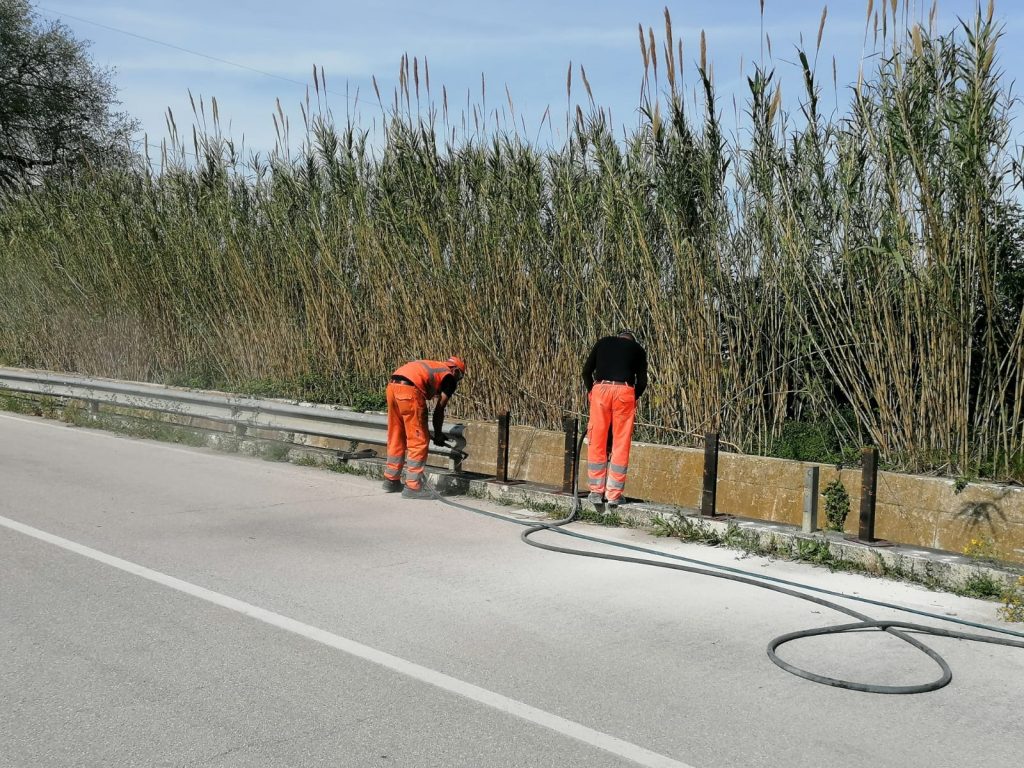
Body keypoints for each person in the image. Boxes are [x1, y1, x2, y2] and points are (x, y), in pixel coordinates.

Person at [382, 356, 466, 499]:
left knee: (397, 434)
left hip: (392, 387)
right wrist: (438, 434)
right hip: (410, 390)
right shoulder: (449, 377)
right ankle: (413, 487)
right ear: (456, 371)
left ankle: (391, 480)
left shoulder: (434, 366)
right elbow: (439, 409)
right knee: (418, 440)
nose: (458, 381)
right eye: (460, 377)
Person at [581, 330, 648, 509]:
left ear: (617, 337)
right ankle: (614, 495)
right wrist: (634, 397)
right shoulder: (638, 350)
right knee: (621, 442)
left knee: (597, 439)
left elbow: (586, 371)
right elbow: (642, 382)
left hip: (601, 390)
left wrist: (591, 391)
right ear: (631, 341)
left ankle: (596, 491)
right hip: (624, 391)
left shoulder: (603, 342)